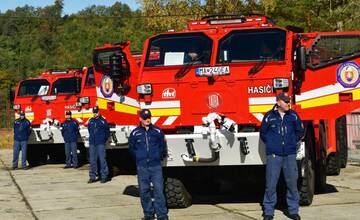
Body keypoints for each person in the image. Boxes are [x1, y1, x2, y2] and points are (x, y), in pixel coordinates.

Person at [260, 92, 304, 220]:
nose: (288, 103)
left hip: (289, 154)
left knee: (292, 183)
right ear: (278, 102)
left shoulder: (293, 116)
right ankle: (268, 212)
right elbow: (263, 133)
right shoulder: (269, 116)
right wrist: (272, 144)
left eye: (288, 101)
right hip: (274, 155)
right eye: (285, 101)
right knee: (271, 184)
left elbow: (299, 132)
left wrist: (291, 142)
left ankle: (293, 210)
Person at [129, 109, 168, 220]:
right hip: (142, 167)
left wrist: (157, 156)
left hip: (155, 166)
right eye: (145, 118)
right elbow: (131, 149)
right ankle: (148, 214)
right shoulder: (135, 133)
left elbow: (162, 146)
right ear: (140, 119)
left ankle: (162, 214)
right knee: (144, 191)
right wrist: (139, 157)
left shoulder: (157, 131)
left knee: (159, 190)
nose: (147, 119)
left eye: (149, 117)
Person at [87, 106, 110, 183]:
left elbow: (107, 132)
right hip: (92, 143)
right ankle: (93, 176)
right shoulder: (91, 121)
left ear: (99, 112)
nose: (95, 114)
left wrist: (103, 139)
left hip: (100, 143)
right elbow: (89, 130)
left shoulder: (103, 121)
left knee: (102, 159)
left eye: (96, 112)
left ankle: (104, 176)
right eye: (94, 112)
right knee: (92, 160)